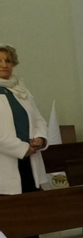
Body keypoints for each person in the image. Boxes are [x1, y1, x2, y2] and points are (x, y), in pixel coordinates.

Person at [0, 45, 47, 195]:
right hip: (5, 162)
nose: (4, 65)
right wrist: (22, 148)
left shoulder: (20, 89)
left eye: (8, 61)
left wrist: (40, 137)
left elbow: (38, 119)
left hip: (29, 160)